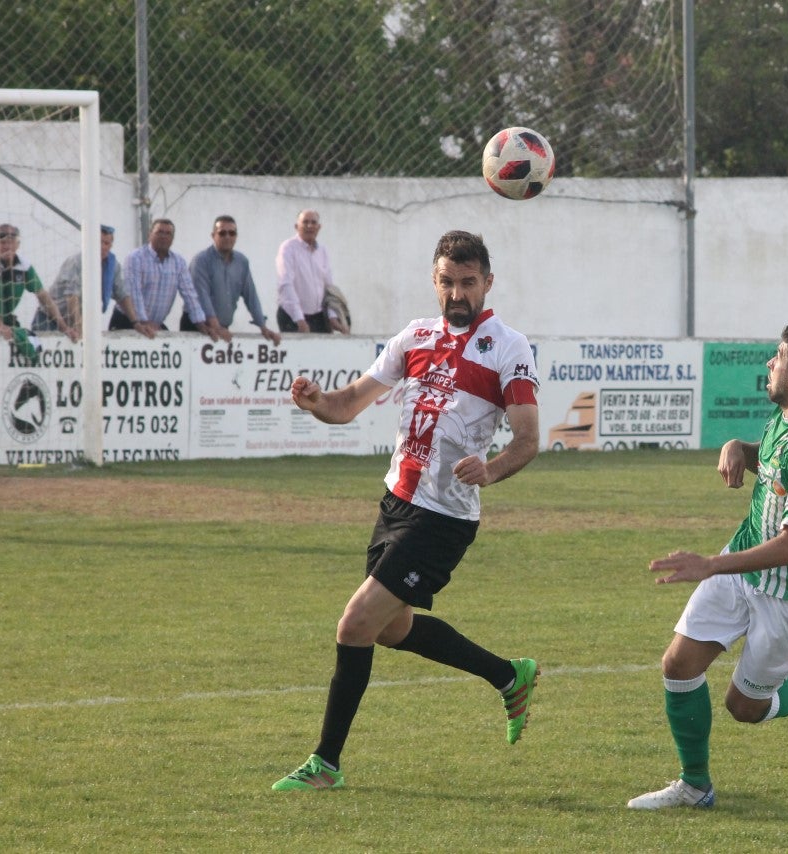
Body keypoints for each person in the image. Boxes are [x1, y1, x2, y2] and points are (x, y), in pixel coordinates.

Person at [272, 230, 541, 792]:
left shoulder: (509, 347)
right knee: (392, 629)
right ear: (434, 281)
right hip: (396, 502)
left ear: (488, 283)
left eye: (468, 282)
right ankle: (508, 675)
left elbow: (526, 438)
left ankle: (326, 763)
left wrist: (490, 470)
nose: (457, 293)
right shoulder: (414, 336)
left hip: (442, 518)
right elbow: (347, 405)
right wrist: (317, 402)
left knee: (355, 625)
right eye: (447, 281)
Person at [627, 322, 788, 811]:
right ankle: (695, 786)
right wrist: (740, 448)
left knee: (745, 708)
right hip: (744, 565)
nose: (768, 365)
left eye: (777, 357)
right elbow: (775, 469)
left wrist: (711, 564)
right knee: (678, 663)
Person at [0, 223, 77, 343]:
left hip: (2, 320)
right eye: (3, 243)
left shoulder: (24, 267)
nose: (7, 246)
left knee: (24, 344)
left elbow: (44, 297)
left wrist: (64, 327)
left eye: (11, 242)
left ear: (17, 245)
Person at [111, 218, 228, 341]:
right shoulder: (135, 258)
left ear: (173, 238)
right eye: (159, 232)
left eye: (168, 234)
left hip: (154, 326)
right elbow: (134, 294)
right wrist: (144, 322)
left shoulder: (178, 262)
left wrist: (201, 324)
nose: (164, 236)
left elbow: (190, 296)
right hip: (129, 321)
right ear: (150, 234)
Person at [31, 225, 146, 337]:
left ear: (111, 245)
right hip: (49, 320)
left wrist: (135, 323)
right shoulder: (76, 261)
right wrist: (78, 326)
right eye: (99, 242)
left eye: (106, 243)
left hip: (75, 324)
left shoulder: (113, 266)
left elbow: (122, 295)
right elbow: (72, 296)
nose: (102, 247)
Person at [186, 215, 281, 344]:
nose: (227, 237)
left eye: (232, 233)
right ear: (213, 235)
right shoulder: (201, 261)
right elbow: (202, 297)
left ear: (236, 236)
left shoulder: (242, 262)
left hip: (222, 329)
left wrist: (263, 327)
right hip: (198, 328)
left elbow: (251, 296)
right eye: (222, 233)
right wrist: (216, 326)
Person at [275, 209, 345, 334]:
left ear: (319, 227)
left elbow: (329, 288)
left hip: (318, 316)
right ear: (297, 226)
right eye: (305, 222)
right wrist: (299, 319)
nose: (310, 226)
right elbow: (286, 285)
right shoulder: (288, 248)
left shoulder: (322, 251)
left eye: (313, 222)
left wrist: (333, 316)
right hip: (292, 316)